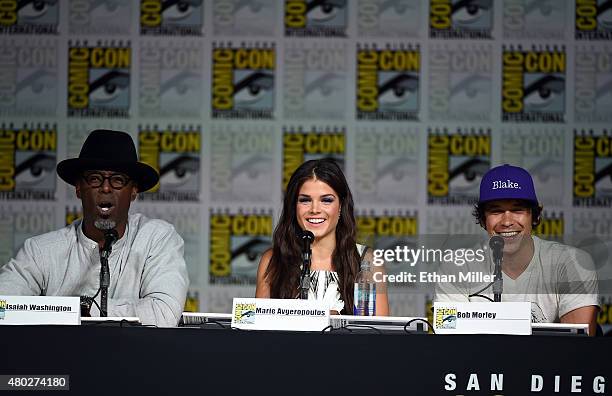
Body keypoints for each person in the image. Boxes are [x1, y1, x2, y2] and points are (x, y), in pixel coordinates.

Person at [0, 129, 189, 327]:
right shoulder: (41, 251)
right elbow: (3, 307)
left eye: (117, 180)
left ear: (133, 191)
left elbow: (163, 314)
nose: (105, 188)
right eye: (95, 178)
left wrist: (82, 308)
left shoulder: (156, 239)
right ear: (79, 188)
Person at [434, 164, 599, 335]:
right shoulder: (455, 267)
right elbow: (448, 342)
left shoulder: (572, 263)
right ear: (483, 220)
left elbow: (578, 350)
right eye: (496, 210)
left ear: (534, 216)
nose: (507, 221)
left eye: (517, 209)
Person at [256, 159, 389, 315]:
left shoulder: (366, 261)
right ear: (293, 206)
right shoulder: (272, 260)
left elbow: (377, 333)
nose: (315, 209)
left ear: (341, 205)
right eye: (305, 200)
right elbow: (258, 329)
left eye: (326, 200)